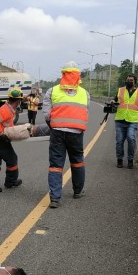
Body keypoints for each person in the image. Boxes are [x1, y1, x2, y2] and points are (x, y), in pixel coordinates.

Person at [42, 61, 89, 209]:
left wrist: (55, 125)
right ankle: (78, 191)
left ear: (63, 74)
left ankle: (55, 198)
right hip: (76, 133)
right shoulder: (84, 93)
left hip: (57, 132)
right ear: (77, 76)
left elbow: (47, 114)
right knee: (77, 162)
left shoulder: (52, 91)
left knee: (56, 164)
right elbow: (85, 111)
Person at [113, 73, 138, 169]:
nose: (129, 81)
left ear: (135, 81)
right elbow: (115, 101)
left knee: (131, 139)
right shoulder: (121, 90)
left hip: (132, 120)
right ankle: (119, 160)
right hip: (120, 120)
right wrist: (112, 102)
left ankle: (130, 160)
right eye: (128, 80)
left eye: (131, 80)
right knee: (119, 141)